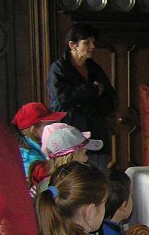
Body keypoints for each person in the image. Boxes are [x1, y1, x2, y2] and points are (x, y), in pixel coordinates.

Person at [47, 23, 116, 170]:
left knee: (98, 175)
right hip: (71, 136)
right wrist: (91, 90)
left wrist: (84, 101)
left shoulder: (95, 68)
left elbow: (110, 98)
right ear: (72, 45)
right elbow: (63, 99)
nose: (92, 46)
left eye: (93, 42)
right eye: (87, 42)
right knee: (74, 176)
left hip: (96, 132)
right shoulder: (58, 69)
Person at [34, 123, 103, 196]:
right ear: (71, 156)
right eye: (84, 153)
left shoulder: (44, 186)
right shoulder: (84, 184)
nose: (87, 158)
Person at [11, 101, 66, 179]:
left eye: (53, 123)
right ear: (33, 130)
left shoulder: (43, 145)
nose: (53, 127)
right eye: (49, 124)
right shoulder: (28, 156)